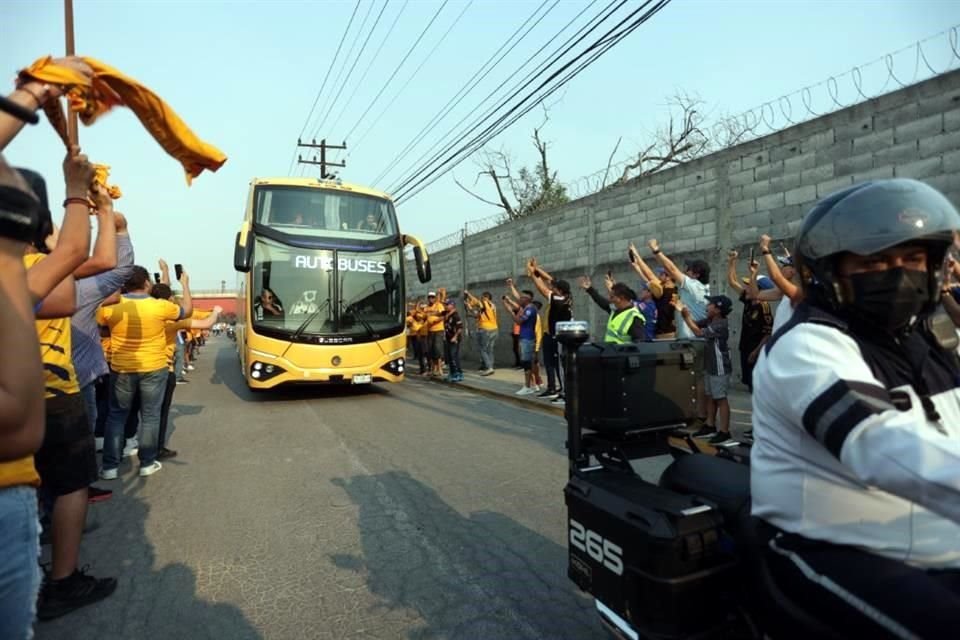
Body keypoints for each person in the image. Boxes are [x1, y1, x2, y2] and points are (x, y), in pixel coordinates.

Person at [751, 178, 960, 636]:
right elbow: (880, 444)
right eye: (875, 262)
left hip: (939, 541)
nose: (898, 273)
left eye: (912, 258)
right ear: (831, 273)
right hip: (831, 546)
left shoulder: (927, 336)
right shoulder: (808, 345)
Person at [98, 266, 192, 479]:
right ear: (147, 283)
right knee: (150, 416)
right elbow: (186, 311)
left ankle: (110, 467)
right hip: (154, 367)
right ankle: (147, 463)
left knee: (116, 416)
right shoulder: (159, 306)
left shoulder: (112, 306)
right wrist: (185, 284)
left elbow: (100, 327)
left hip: (121, 368)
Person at [675, 295, 733, 444]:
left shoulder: (720, 324)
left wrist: (686, 316)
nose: (707, 306)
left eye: (710, 304)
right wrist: (683, 311)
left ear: (718, 309)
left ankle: (725, 432)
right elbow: (694, 324)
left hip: (719, 367)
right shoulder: (711, 320)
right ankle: (710, 425)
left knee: (720, 398)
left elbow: (699, 332)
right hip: (710, 365)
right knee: (710, 396)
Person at [726, 250, 774, 395]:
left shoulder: (764, 307)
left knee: (757, 386)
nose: (745, 287)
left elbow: (767, 334)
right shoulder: (748, 300)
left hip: (756, 350)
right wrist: (732, 261)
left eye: (749, 284)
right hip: (745, 347)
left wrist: (756, 351)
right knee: (749, 383)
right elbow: (732, 281)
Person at [579, 275, 646, 343]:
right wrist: (589, 289)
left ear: (621, 298)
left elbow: (638, 344)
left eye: (612, 297)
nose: (610, 299)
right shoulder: (615, 310)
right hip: (611, 352)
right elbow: (601, 302)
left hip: (622, 353)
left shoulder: (634, 317)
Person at [503, 289, 539, 395]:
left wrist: (511, 312)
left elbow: (519, 321)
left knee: (526, 363)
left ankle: (527, 386)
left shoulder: (530, 309)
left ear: (528, 299)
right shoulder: (526, 308)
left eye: (522, 297)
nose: (520, 298)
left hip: (528, 338)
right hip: (525, 337)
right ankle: (533, 385)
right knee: (529, 362)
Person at [464, 289, 498, 375]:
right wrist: (469, 307)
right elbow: (477, 314)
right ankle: (490, 366)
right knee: (489, 349)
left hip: (486, 330)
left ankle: (489, 367)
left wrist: (468, 294)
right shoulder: (491, 306)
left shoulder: (485, 304)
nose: (481, 299)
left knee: (483, 349)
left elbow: (476, 301)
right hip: (494, 329)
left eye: (483, 297)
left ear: (486, 298)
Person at [423, 291, 446, 377]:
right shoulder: (426, 307)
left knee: (437, 349)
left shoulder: (438, 305)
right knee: (430, 350)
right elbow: (424, 316)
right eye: (429, 297)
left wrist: (435, 320)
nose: (431, 299)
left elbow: (443, 315)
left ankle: (439, 368)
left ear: (435, 298)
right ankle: (433, 369)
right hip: (430, 330)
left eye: (432, 297)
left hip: (438, 330)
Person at [443, 299, 464, 382]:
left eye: (447, 305)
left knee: (453, 356)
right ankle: (452, 373)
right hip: (448, 339)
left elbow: (460, 328)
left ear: (452, 305)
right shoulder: (447, 314)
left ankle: (459, 374)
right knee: (449, 357)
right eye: (445, 305)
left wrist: (455, 337)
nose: (446, 306)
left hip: (454, 339)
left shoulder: (455, 316)